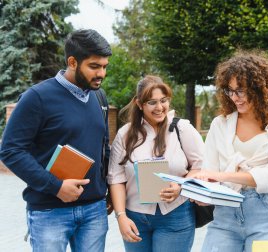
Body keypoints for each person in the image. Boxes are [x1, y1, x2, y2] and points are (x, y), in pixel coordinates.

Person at [0, 29, 112, 251]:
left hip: (94, 211)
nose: (101, 73)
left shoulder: (99, 96)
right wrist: (56, 186)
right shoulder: (37, 97)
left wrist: (106, 188)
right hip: (49, 211)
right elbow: (10, 150)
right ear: (72, 61)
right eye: (94, 66)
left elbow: (103, 147)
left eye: (104, 66)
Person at [193, 50, 268, 252]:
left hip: (267, 215)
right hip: (224, 217)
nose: (235, 98)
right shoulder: (220, 124)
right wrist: (201, 193)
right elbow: (209, 171)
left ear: (260, 89)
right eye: (230, 91)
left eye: (240, 91)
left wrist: (220, 176)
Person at [107, 75, 204, 252]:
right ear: (139, 103)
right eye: (152, 102)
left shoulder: (182, 129)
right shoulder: (125, 134)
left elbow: (200, 167)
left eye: (163, 100)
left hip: (176, 214)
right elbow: (116, 178)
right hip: (134, 217)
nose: (160, 107)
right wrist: (121, 216)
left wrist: (181, 186)